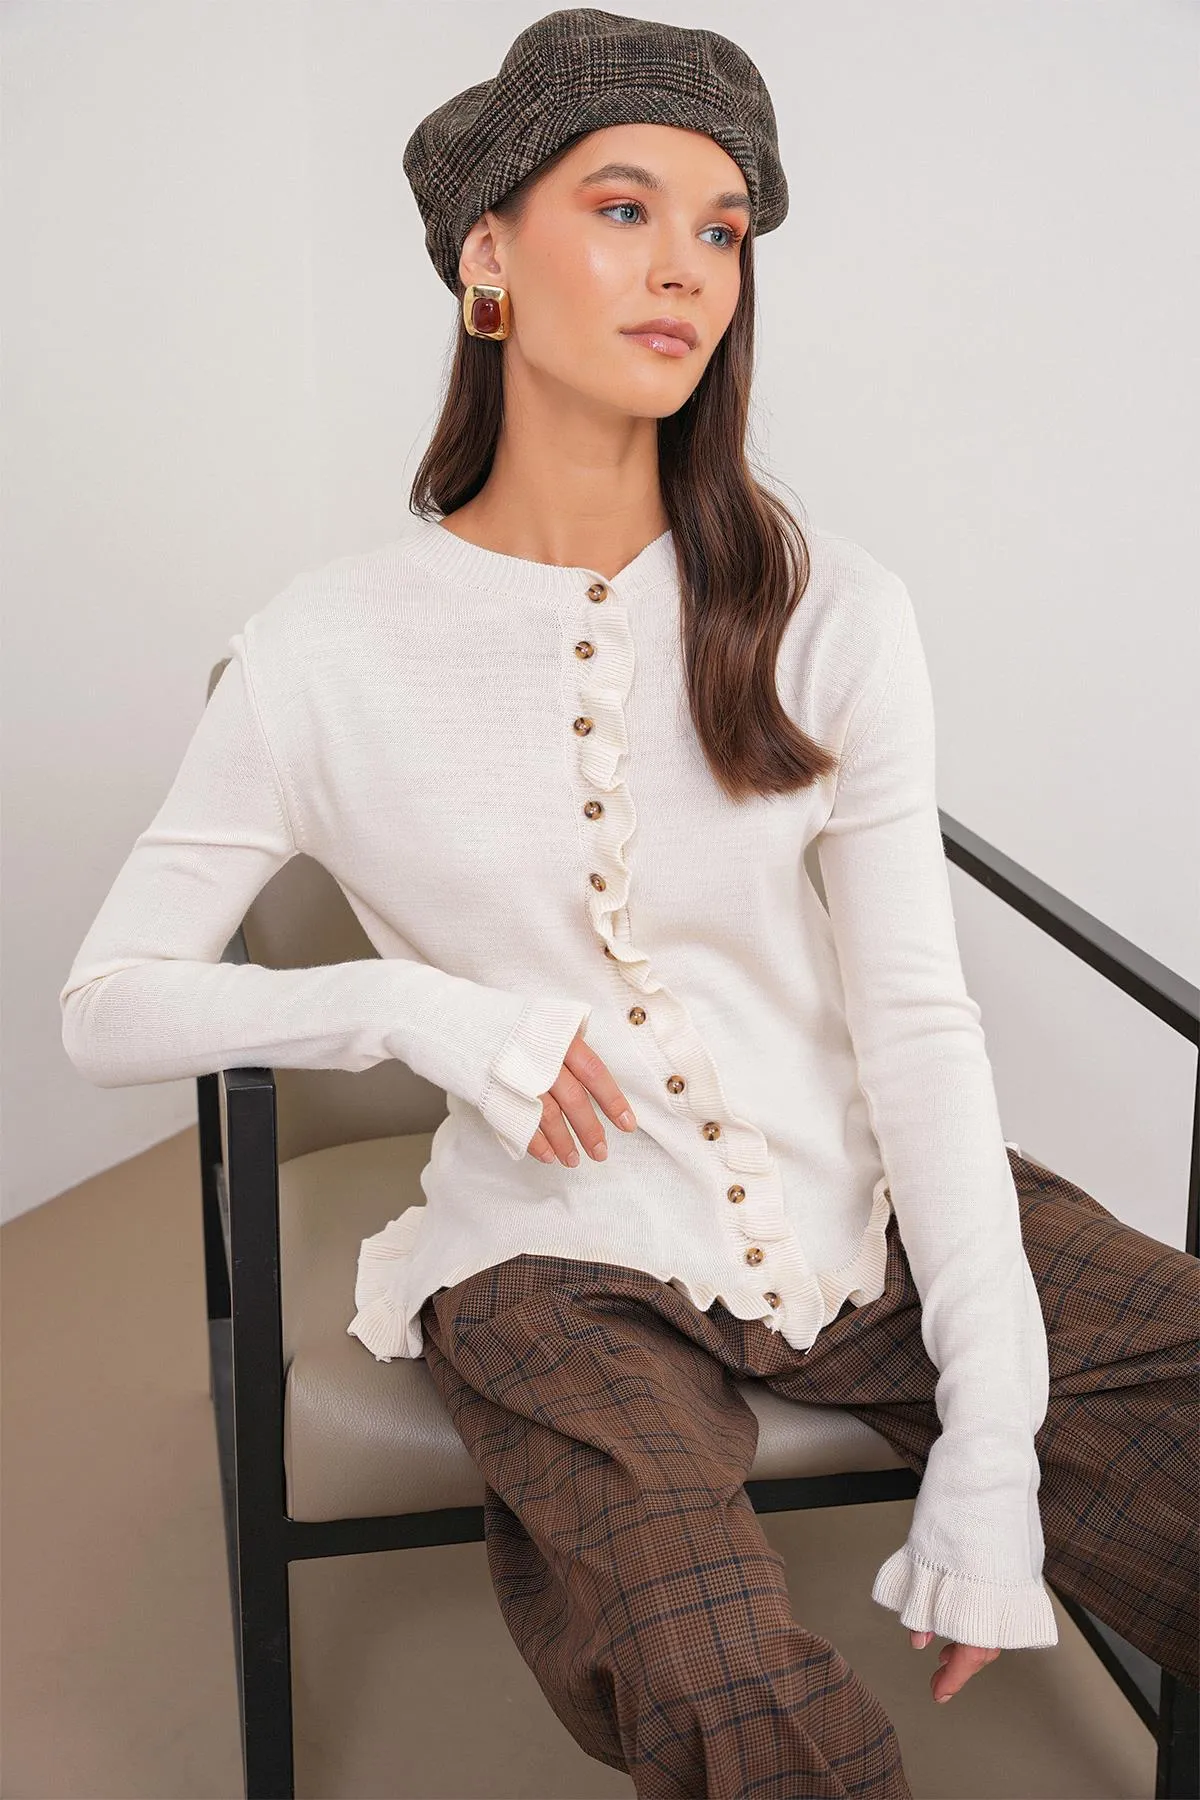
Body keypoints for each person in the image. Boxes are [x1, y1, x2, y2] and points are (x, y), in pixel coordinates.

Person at [61, 10, 1198, 1797]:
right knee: (711, 1668)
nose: (685, 267)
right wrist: (417, 1009)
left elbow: (913, 1021)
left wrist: (995, 1441)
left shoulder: (833, 607)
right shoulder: (320, 654)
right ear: (487, 256)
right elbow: (108, 999)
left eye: (721, 229)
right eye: (622, 208)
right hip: (550, 1255)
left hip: (860, 1201)